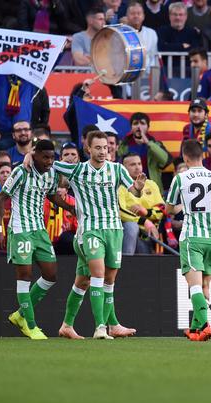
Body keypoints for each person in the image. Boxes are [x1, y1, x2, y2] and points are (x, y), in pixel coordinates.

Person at [28, 131, 146, 339]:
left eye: (106, 148)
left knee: (88, 281)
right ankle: (101, 327)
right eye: (98, 147)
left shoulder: (117, 169)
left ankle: (70, 325)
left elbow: (134, 192)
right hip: (89, 231)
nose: (103, 151)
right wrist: (30, 154)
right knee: (99, 275)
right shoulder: (77, 170)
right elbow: (47, 162)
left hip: (114, 230)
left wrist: (138, 188)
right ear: (88, 149)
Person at [0, 140, 74, 340]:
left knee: (51, 274)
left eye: (52, 157)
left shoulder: (51, 174)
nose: (49, 161)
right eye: (45, 157)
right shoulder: (20, 171)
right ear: (35, 155)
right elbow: (1, 198)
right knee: (25, 274)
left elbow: (51, 195)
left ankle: (20, 315)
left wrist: (71, 208)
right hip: (20, 229)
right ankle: (30, 325)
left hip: (39, 230)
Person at [166, 138, 211, 341]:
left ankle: (205, 324)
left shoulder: (181, 178)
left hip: (192, 237)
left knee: (194, 285)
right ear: (202, 155)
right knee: (205, 285)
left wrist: (178, 207)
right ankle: (196, 328)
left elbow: (169, 209)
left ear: (185, 157)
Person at [117, 112, 172, 189]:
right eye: (135, 123)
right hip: (130, 188)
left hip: (152, 189)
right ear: (131, 127)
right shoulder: (123, 145)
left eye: (142, 123)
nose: (139, 126)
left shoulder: (156, 144)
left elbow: (165, 160)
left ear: (148, 127)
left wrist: (148, 143)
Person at [123, 1, 159, 70]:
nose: (136, 16)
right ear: (127, 17)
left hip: (147, 74)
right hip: (126, 74)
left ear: (143, 16)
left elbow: (153, 57)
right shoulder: (121, 34)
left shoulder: (151, 33)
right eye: (132, 13)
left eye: (139, 13)